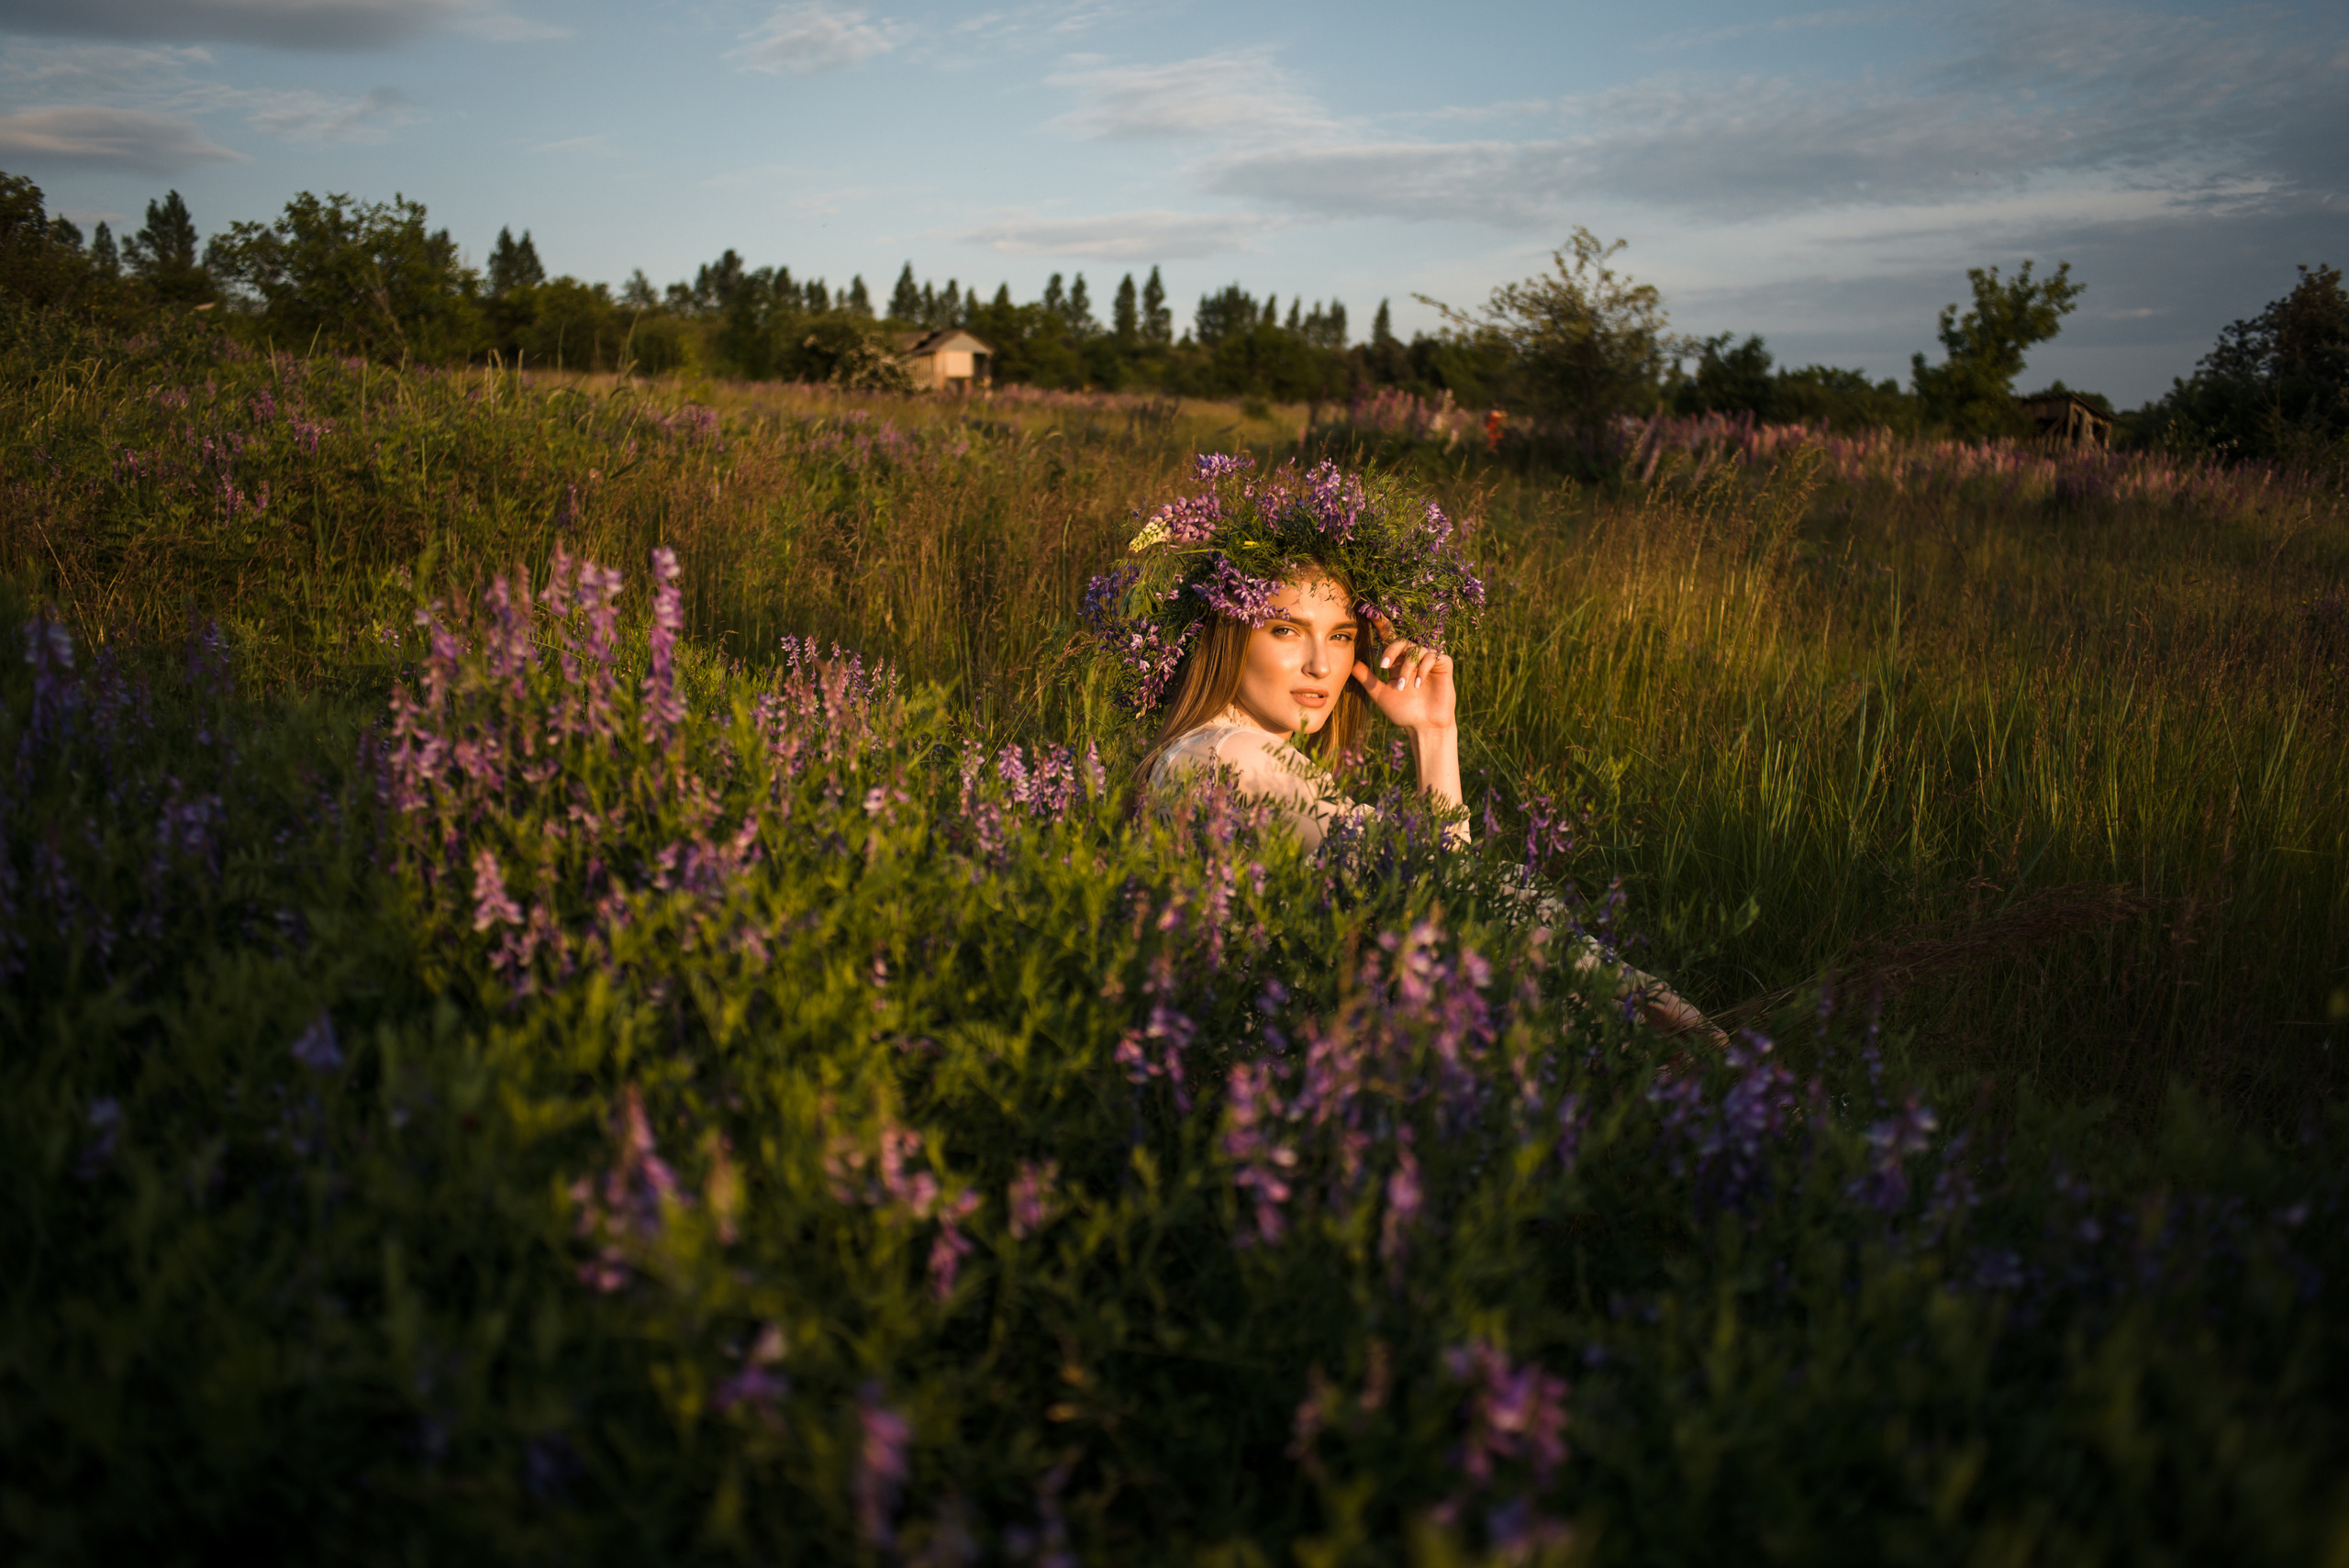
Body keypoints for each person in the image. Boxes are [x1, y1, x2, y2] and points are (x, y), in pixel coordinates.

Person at [1089, 454, 1718, 1041]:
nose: (1319, 664)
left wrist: (1433, 731)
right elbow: (1448, 896)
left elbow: (1446, 897)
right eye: (1285, 629)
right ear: (1227, 633)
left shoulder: (1204, 752)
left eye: (1340, 635)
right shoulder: (1232, 758)